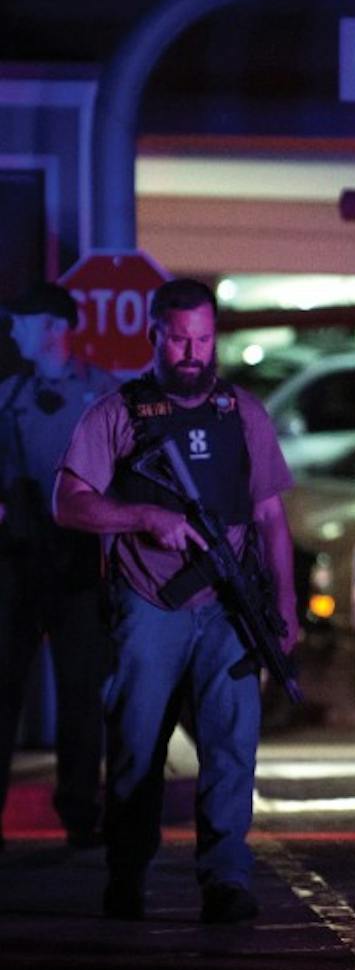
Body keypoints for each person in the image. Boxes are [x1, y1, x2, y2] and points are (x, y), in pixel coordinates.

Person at [53, 278, 298, 923]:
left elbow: (272, 517)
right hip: (149, 601)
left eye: (204, 339)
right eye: (181, 339)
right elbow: (69, 503)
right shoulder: (115, 414)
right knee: (137, 745)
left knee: (231, 743)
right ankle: (127, 871)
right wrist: (141, 517)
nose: (193, 352)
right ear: (155, 336)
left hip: (229, 605)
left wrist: (287, 606)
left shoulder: (242, 412)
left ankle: (226, 879)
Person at [0, 283, 117, 851]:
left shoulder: (102, 396)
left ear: (49, 326)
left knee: (80, 691)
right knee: (3, 689)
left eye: (20, 322)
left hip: (77, 561)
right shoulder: (8, 394)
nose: (11, 331)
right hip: (17, 559)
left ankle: (79, 813)